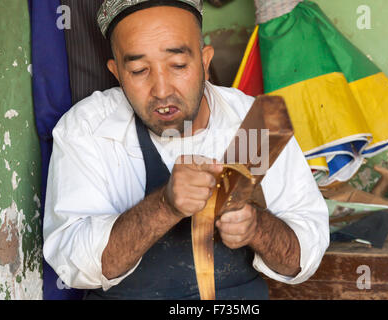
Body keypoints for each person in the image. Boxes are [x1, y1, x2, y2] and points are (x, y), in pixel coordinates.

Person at [43, 0, 329, 300]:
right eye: (139, 70)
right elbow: (74, 266)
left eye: (178, 65)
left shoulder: (252, 124)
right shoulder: (90, 128)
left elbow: (304, 259)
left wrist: (257, 227)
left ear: (205, 60)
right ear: (116, 72)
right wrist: (164, 207)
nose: (162, 89)